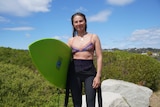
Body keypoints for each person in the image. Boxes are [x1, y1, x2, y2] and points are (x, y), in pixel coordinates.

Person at [66, 12, 103, 107]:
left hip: (89, 72)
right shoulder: (71, 40)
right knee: (76, 103)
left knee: (91, 102)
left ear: (85, 22)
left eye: (81, 21)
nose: (79, 24)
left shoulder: (93, 37)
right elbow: (64, 59)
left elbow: (99, 57)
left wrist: (98, 76)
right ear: (73, 24)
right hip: (74, 72)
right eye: (76, 22)